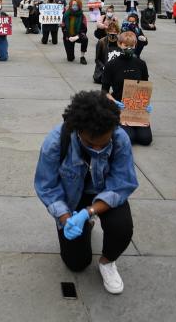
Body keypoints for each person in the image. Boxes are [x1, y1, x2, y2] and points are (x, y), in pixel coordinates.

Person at [33, 90, 137, 294]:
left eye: (103, 143)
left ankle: (107, 262)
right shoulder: (55, 142)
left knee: (122, 228)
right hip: (72, 199)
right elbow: (47, 186)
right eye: (90, 144)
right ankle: (84, 227)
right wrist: (66, 218)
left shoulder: (120, 138)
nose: (98, 149)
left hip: (106, 193)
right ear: (77, 130)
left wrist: (89, 212)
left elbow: (122, 183)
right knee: (77, 263)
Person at [101, 32, 153, 146]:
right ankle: (113, 124)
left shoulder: (141, 64)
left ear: (135, 45)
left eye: (132, 45)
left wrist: (146, 104)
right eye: (126, 45)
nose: (129, 48)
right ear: (120, 44)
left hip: (137, 107)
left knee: (145, 139)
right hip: (119, 106)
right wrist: (114, 102)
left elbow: (145, 86)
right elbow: (104, 91)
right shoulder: (111, 65)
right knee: (129, 139)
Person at [93, 20, 122, 84]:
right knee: (101, 79)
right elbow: (97, 59)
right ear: (107, 31)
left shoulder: (121, 41)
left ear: (118, 32)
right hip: (104, 67)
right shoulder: (101, 42)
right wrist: (104, 67)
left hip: (117, 68)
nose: (113, 33)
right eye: (111, 31)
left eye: (115, 31)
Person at [62, 0, 89, 65]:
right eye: (73, 4)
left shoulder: (82, 16)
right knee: (70, 59)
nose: (74, 6)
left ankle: (82, 57)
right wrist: (68, 36)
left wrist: (77, 37)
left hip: (78, 36)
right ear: (71, 5)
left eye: (76, 5)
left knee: (85, 39)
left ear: (79, 5)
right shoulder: (66, 15)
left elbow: (84, 29)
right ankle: (71, 54)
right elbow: (63, 27)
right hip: (68, 36)